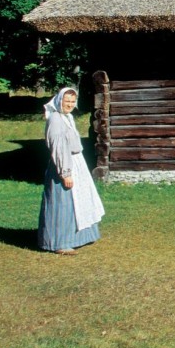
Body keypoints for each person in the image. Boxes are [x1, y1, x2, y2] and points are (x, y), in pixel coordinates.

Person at [39, 87, 105, 255]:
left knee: (79, 202)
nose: (69, 104)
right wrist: (65, 173)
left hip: (76, 162)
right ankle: (60, 242)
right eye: (66, 101)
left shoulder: (67, 117)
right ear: (59, 101)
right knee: (63, 203)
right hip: (64, 165)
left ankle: (79, 237)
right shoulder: (55, 119)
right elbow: (59, 148)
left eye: (72, 101)